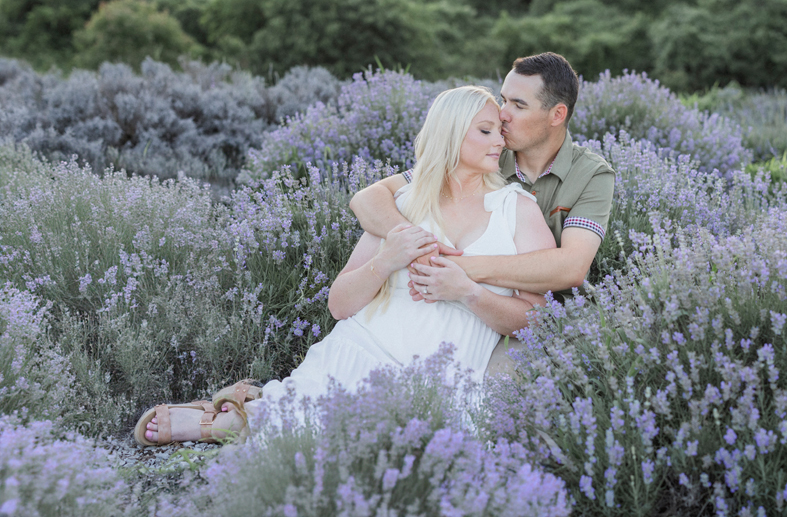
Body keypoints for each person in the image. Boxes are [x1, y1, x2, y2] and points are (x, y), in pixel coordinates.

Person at [135, 85, 556, 445]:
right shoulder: (403, 205)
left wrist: (468, 293)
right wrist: (388, 259)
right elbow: (340, 304)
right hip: (365, 351)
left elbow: (536, 318)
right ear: (449, 134)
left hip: (444, 376)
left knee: (391, 447)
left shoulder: (516, 208)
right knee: (302, 431)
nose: (499, 142)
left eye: (499, 131)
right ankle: (226, 418)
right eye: (484, 131)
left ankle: (244, 413)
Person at [349, 53, 615, 373]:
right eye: (503, 100)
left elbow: (571, 268)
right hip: (460, 301)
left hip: (549, 318)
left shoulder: (592, 175)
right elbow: (369, 198)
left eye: (518, 105)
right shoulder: (488, 153)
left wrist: (456, 267)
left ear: (556, 114)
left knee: (495, 390)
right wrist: (416, 246)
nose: (502, 115)